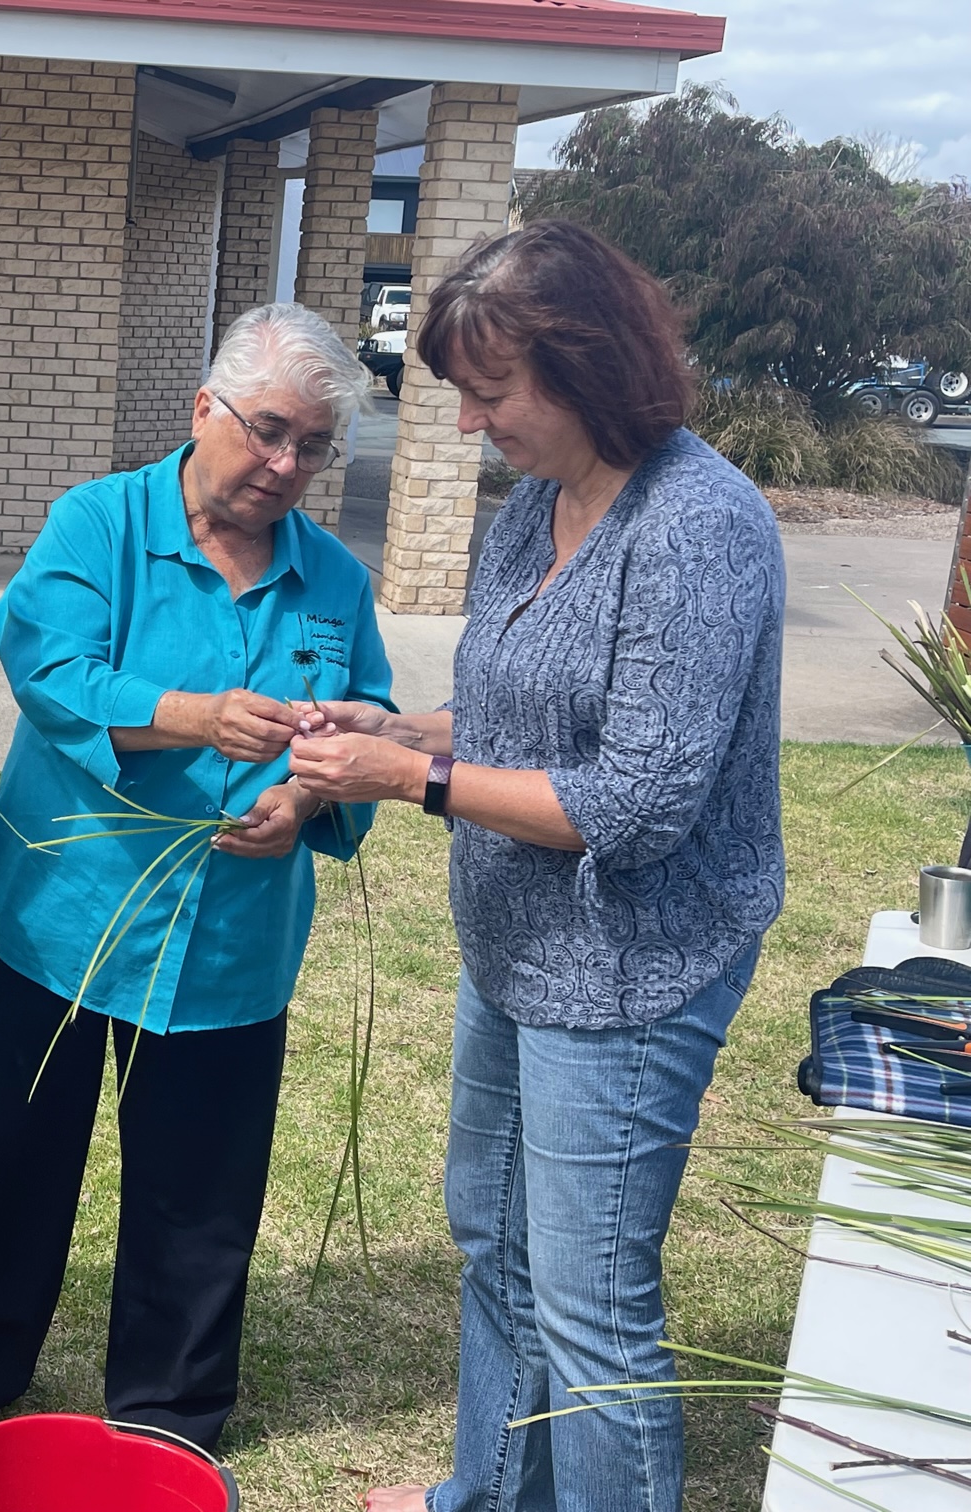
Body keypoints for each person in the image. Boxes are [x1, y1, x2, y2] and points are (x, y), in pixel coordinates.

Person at [286, 221, 784, 1512]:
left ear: (587, 366)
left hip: (631, 970)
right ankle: (491, 1496)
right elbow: (509, 724)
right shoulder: (534, 514)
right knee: (493, 1248)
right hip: (515, 950)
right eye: (461, 393)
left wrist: (407, 781)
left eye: (492, 393)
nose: (470, 425)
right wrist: (395, 729)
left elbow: (640, 798)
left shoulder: (696, 528)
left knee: (593, 1308)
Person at [0, 303, 393, 1457]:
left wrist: (307, 801)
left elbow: (367, 718)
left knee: (202, 1182)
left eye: (312, 449)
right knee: (16, 1149)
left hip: (232, 931)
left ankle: (171, 1407)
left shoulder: (331, 579)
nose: (285, 466)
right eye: (269, 431)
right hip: (67, 915)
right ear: (205, 410)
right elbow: (50, 670)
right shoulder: (101, 523)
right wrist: (195, 718)